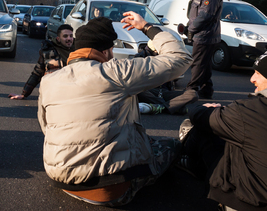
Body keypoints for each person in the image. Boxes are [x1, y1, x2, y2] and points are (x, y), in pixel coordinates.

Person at [38, 14, 193, 207]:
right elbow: (180, 58)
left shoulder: (49, 81)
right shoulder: (116, 72)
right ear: (106, 51)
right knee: (171, 146)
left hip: (61, 180)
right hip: (109, 189)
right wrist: (146, 27)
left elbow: (46, 127)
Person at [179, 51, 267, 210]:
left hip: (251, 201)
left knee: (207, 131)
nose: (252, 79)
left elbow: (199, 116)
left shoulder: (249, 111)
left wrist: (210, 110)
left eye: (259, 73)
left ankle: (186, 158)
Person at [184, 0, 223, 99]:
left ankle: (190, 91)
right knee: (204, 65)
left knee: (198, 64)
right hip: (204, 34)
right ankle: (206, 91)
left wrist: (191, 29)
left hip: (205, 36)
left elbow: (205, 15)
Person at [8, 24, 74, 100]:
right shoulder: (49, 52)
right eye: (65, 36)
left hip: (74, 91)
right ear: (58, 39)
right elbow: (37, 73)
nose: (69, 39)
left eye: (71, 36)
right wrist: (24, 94)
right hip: (56, 92)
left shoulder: (79, 51)